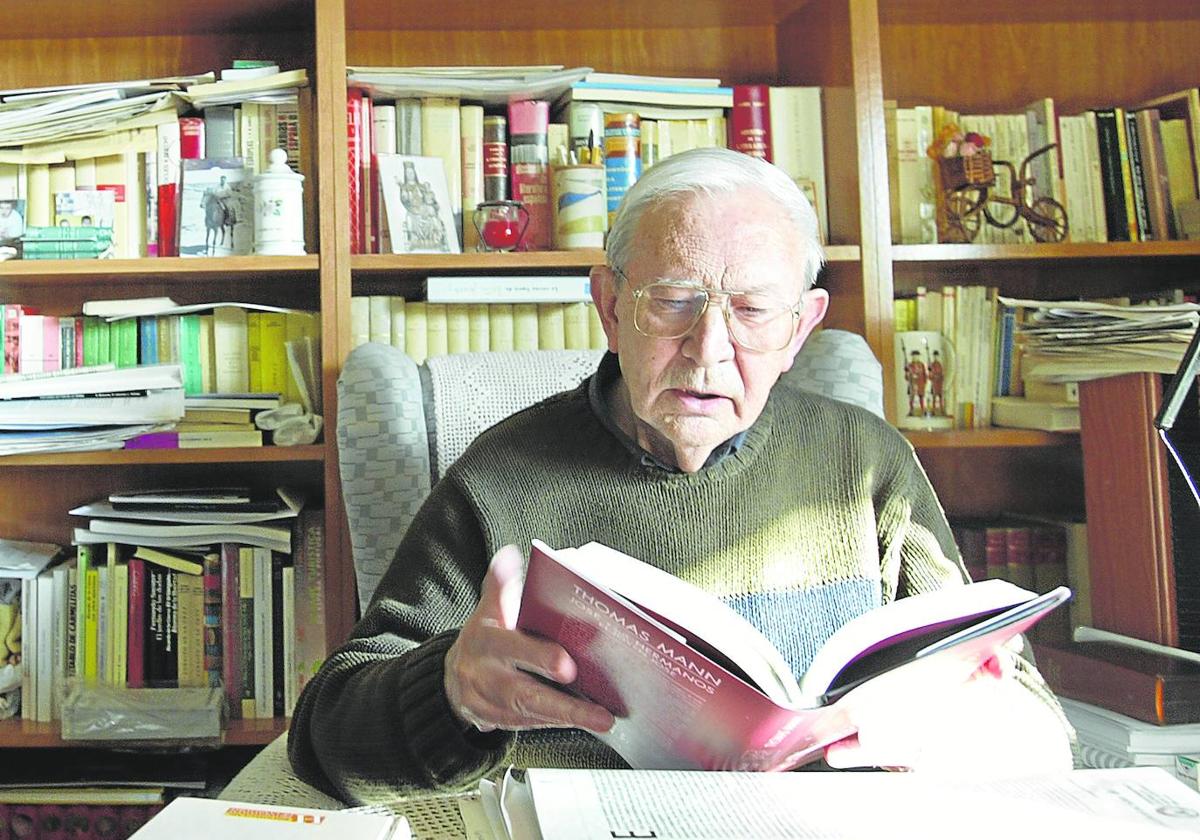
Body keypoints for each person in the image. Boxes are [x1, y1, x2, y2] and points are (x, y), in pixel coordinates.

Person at [289, 147, 1073, 804]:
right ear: (610, 305)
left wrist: (976, 734)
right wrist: (452, 693)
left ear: (801, 329)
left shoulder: (865, 464)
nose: (708, 350)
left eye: (754, 312)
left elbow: (1019, 705)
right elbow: (324, 742)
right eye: (672, 302)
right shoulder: (501, 479)